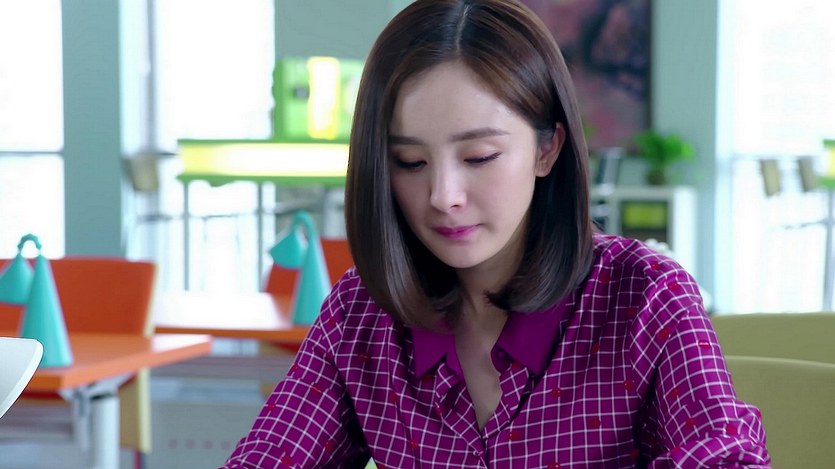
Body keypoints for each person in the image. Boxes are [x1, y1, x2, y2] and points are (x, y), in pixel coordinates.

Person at [221, 0, 770, 467]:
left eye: (479, 156)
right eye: (410, 162)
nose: (443, 195)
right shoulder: (361, 315)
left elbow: (726, 456)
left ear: (547, 148)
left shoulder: (647, 296)